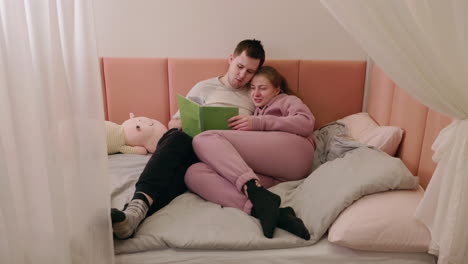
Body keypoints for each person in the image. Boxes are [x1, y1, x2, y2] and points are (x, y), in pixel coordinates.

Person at [111, 39, 266, 240]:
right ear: (230, 59)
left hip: (225, 156)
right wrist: (185, 124)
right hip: (192, 146)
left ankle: (132, 214)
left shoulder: (256, 95)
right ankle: (133, 213)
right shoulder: (204, 88)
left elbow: (270, 130)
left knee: (180, 172)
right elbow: (173, 123)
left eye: (250, 72)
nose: (242, 75)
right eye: (240, 66)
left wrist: (251, 123)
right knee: (175, 141)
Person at [184, 66, 316, 239]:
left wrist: (259, 123)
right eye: (252, 88)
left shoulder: (286, 100)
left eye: (263, 88)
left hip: (297, 153)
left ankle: (253, 189)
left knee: (203, 139)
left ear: (277, 90)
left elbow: (307, 122)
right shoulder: (256, 110)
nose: (256, 93)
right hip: (276, 173)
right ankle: (265, 210)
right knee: (194, 173)